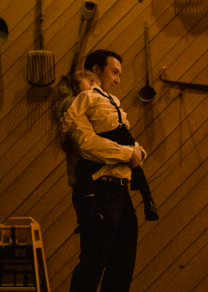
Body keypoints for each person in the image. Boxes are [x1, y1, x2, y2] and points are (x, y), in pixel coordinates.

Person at [58, 50, 148, 292]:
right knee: (90, 270)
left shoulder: (111, 107)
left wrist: (134, 152)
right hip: (95, 193)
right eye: (114, 71)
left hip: (120, 193)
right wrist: (128, 153)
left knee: (121, 270)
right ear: (96, 70)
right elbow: (85, 144)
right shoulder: (77, 102)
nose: (118, 78)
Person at [66, 69, 158, 225]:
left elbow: (70, 116)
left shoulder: (85, 96)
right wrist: (134, 150)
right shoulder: (111, 98)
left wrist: (63, 133)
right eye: (114, 73)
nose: (74, 89)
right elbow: (120, 117)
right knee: (136, 167)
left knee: (82, 168)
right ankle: (148, 200)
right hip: (120, 134)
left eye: (76, 84)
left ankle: (89, 211)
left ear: (91, 80)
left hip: (109, 136)